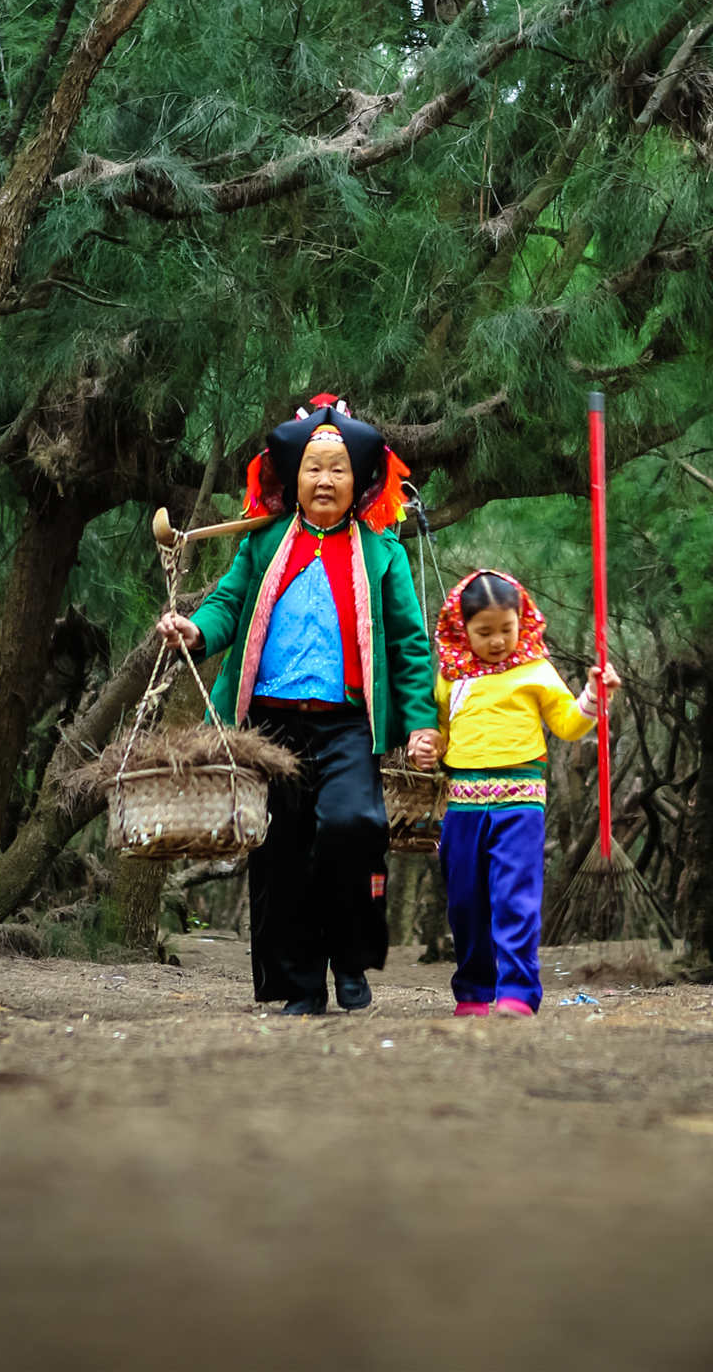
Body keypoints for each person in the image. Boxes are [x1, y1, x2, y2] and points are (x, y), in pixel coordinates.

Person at [157, 397, 439, 1016]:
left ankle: (349, 955)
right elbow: (228, 603)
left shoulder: (382, 552)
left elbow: (412, 643)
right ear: (293, 479)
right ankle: (303, 987)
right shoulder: (262, 545)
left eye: (338, 469)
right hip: (270, 725)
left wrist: (420, 723)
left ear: (359, 480)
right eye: (313, 468)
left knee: (353, 826)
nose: (324, 481)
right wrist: (196, 631)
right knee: (281, 855)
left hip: (347, 724)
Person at [428, 569, 621, 1019]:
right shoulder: (450, 677)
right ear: (463, 629)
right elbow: (438, 734)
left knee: (515, 897)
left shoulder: (536, 669)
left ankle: (517, 991)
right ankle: (474, 992)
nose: (497, 641)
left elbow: (570, 725)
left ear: (523, 621)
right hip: (463, 805)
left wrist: (594, 693)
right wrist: (425, 744)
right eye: (484, 632)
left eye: (506, 629)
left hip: (521, 802)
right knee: (464, 902)